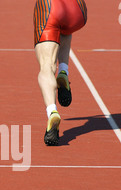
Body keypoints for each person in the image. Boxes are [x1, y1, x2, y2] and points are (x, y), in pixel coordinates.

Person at [34, 0, 87, 145]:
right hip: (77, 11)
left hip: (50, 8)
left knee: (47, 66)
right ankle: (63, 70)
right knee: (64, 28)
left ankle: (52, 112)